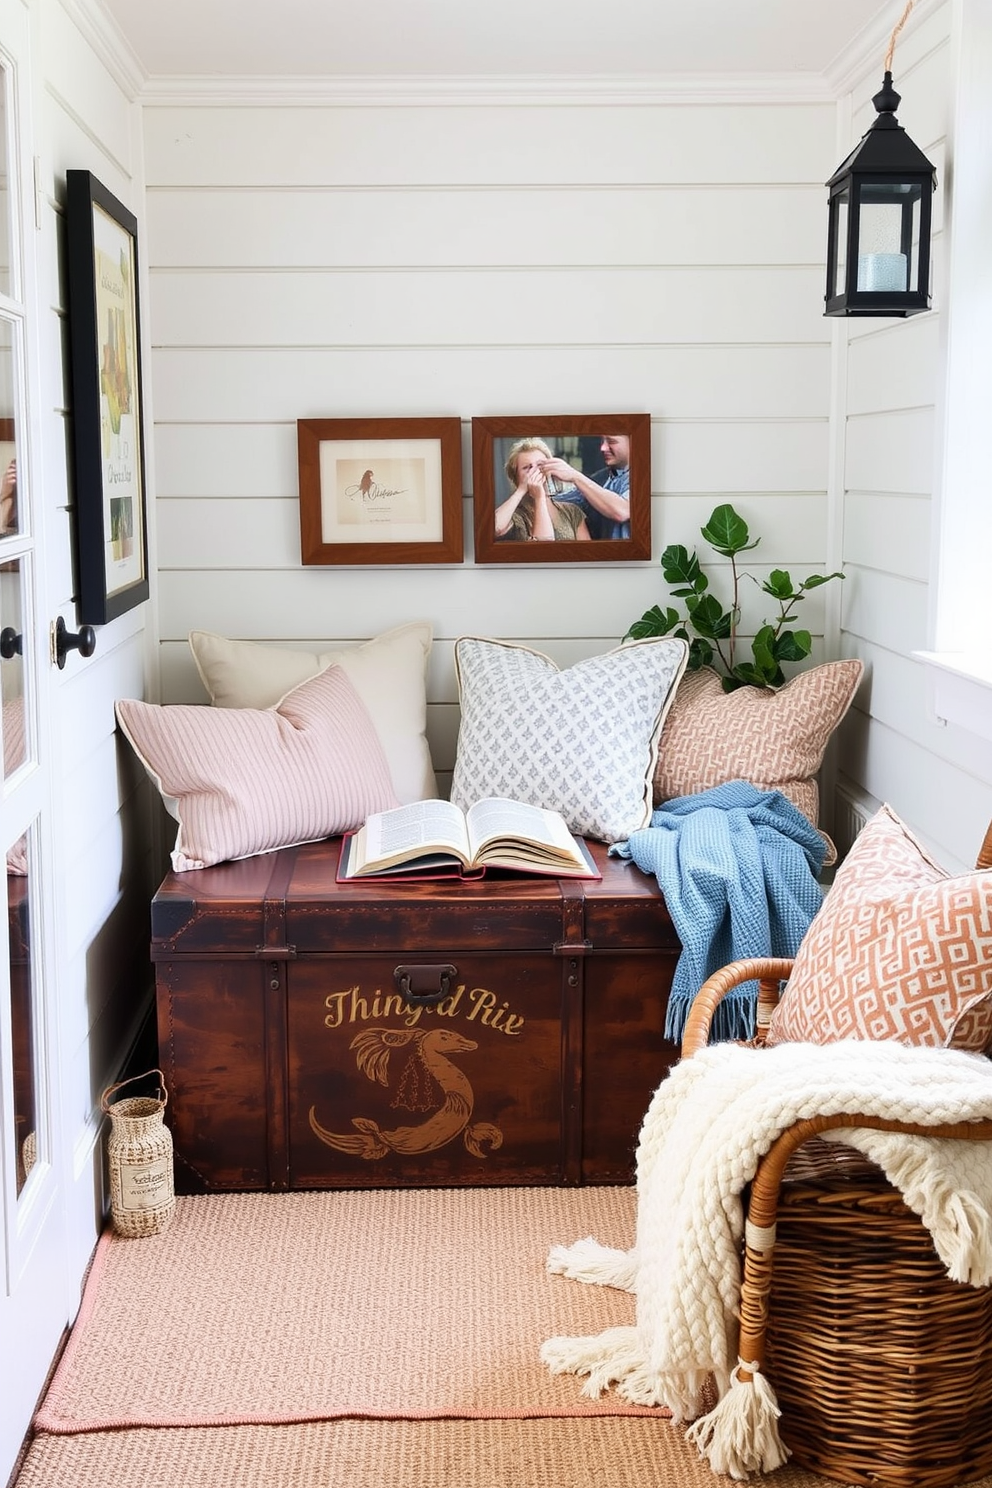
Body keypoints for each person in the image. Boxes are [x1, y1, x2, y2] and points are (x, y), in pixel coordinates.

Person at [495, 438, 592, 542]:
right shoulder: (517, 516)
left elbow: (587, 551)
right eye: (527, 467)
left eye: (540, 465)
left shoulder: (571, 511)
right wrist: (523, 490)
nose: (535, 470)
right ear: (516, 477)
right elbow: (496, 528)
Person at [541, 434, 631, 540]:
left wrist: (574, 476)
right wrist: (538, 490)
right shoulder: (600, 479)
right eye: (602, 441)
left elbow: (621, 511)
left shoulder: (646, 477)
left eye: (611, 442)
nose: (603, 448)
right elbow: (556, 502)